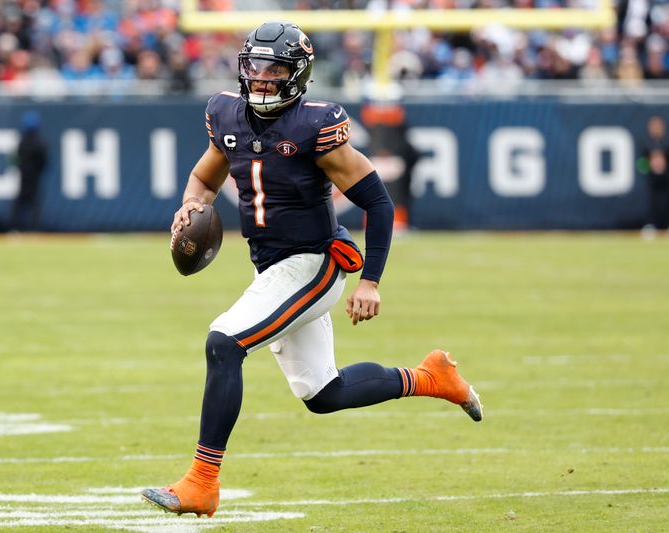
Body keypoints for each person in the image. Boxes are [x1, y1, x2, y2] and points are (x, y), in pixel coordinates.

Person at [141, 21, 483, 519]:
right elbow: (203, 176)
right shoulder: (225, 114)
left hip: (316, 262)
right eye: (254, 66)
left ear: (297, 75)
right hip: (273, 268)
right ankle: (432, 378)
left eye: (274, 69)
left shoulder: (314, 125)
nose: (261, 78)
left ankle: (202, 482)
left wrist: (371, 281)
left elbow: (379, 203)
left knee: (224, 343)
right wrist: (191, 205)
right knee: (325, 393)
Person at [361, 99, 421, 235]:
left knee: (385, 192)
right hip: (387, 160)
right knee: (391, 192)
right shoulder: (381, 117)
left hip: (386, 159)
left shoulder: (378, 117)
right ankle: (393, 222)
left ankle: (389, 222)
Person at [10, 111, 48, 232]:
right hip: (33, 178)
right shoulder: (40, 144)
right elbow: (43, 162)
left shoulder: (22, 143)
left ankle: (15, 228)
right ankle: (32, 229)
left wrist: (21, 168)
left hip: (25, 177)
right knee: (33, 204)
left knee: (21, 203)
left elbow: (15, 160)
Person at [639, 115, 669, 237]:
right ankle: (652, 225)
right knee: (653, 202)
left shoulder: (667, 143)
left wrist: (664, 166)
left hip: (667, 179)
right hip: (653, 180)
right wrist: (650, 165)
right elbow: (640, 165)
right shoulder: (646, 144)